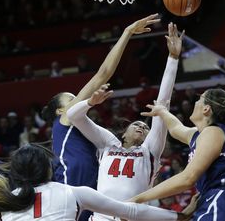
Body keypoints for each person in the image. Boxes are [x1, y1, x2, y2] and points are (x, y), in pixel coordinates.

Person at [41, 14, 160, 221]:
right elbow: (103, 74)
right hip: (72, 188)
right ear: (61, 112)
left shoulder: (85, 130)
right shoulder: (65, 121)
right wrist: (127, 32)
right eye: (72, 98)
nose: (77, 98)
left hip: (89, 191)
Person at [67, 22, 184, 221]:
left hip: (133, 217)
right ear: (123, 133)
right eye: (137, 124)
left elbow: (163, 102)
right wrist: (89, 102)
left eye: (146, 127)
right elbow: (73, 116)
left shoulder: (150, 150)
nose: (142, 126)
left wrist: (172, 59)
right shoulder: (108, 143)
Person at [127, 77, 225, 220]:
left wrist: (139, 198)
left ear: (206, 109)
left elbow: (188, 178)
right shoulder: (199, 134)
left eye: (199, 99)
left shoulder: (213, 132)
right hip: (224, 201)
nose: (194, 102)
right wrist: (162, 111)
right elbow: (177, 129)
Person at [0, 143, 197, 221]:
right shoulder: (74, 192)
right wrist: (181, 217)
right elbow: (131, 211)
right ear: (48, 169)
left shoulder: (4, 203)